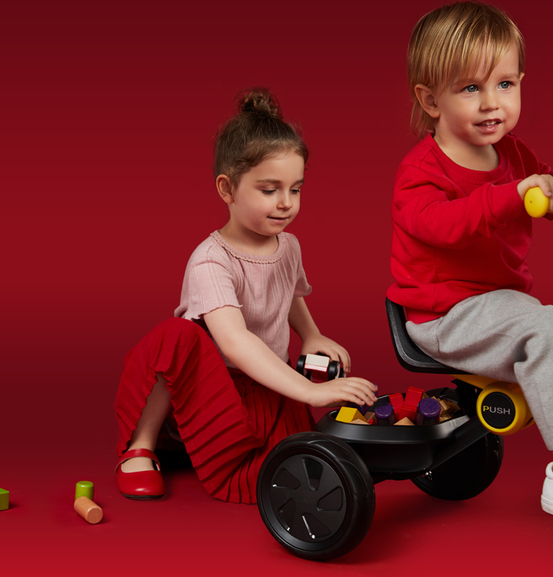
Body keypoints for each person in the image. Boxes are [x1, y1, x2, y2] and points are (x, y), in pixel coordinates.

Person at [114, 88, 378, 504]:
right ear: (227, 189)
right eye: (269, 190)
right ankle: (141, 447)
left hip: (263, 385)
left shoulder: (288, 246)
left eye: (295, 189)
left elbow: (288, 293)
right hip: (210, 387)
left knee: (297, 461)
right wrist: (309, 392)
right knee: (177, 336)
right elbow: (235, 341)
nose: (286, 203)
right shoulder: (210, 260)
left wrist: (311, 335)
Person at [387, 1, 553, 514]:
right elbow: (443, 225)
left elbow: (542, 185)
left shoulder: (514, 154)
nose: (491, 103)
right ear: (430, 99)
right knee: (547, 332)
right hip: (444, 315)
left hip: (498, 304)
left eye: (504, 84)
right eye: (470, 88)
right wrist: (513, 195)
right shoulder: (421, 172)